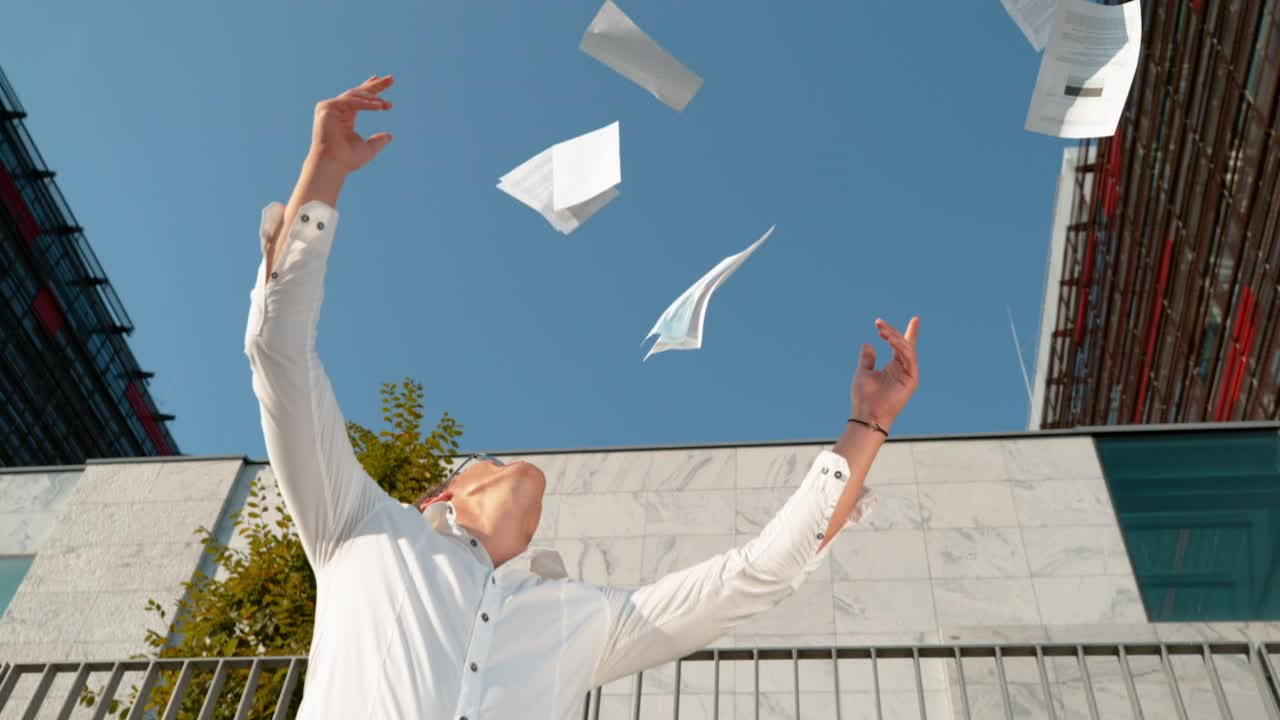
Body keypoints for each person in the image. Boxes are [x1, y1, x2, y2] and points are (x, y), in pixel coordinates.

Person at [244, 74, 921, 720]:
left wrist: (869, 422)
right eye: (490, 459)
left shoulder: (583, 618)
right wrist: (324, 172)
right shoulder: (363, 528)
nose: (511, 461)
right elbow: (281, 357)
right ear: (437, 498)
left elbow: (759, 574)